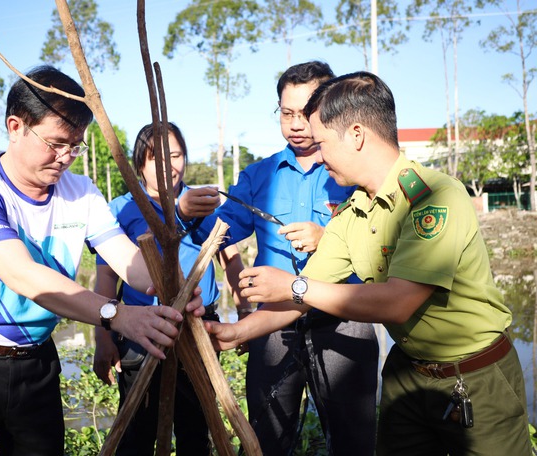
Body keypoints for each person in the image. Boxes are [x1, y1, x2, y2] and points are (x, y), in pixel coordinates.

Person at [206, 71, 533, 456]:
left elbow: (397, 301)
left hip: (475, 377)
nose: (318, 153)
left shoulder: (433, 197)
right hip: (407, 373)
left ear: (356, 135)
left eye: (323, 142)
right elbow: (303, 296)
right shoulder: (353, 213)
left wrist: (294, 285)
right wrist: (240, 331)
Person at [0, 65, 204, 456]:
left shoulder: (80, 192)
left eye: (75, 145)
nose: (65, 157)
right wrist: (117, 315)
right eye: (55, 143)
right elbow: (25, 276)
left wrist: (174, 288)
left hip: (36, 363)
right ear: (15, 126)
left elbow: (126, 259)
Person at [178, 61, 378, 456]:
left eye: (306, 113)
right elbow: (219, 233)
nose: (297, 124)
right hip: (271, 324)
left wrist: (328, 237)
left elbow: (377, 243)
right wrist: (186, 214)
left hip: (344, 318)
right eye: (287, 114)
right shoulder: (259, 175)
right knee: (266, 436)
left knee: (353, 440)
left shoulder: (351, 171)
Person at [93, 122, 250, 455]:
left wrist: (245, 312)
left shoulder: (203, 203)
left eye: (176, 155)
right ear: (139, 164)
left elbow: (230, 258)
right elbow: (106, 278)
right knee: (137, 429)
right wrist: (102, 337)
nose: (169, 165)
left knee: (197, 427)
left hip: (198, 326)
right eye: (156, 158)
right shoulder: (121, 209)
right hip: (141, 328)